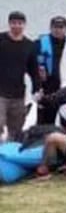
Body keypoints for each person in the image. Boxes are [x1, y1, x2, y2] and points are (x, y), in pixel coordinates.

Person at [0, 11, 41, 142]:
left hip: (18, 94)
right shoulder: (1, 39)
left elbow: (33, 70)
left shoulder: (29, 45)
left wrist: (37, 89)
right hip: (0, 92)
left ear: (24, 25)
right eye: (13, 23)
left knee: (16, 130)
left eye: (19, 23)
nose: (16, 26)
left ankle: (9, 155)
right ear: (9, 24)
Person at [34, 16, 66, 124]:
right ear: (50, 28)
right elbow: (31, 64)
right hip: (47, 87)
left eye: (61, 27)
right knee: (45, 121)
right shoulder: (39, 43)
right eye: (55, 27)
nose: (58, 30)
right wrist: (37, 86)